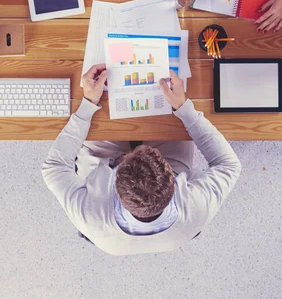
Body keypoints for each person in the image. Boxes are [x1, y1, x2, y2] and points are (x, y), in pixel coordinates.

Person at [42, 65, 241, 256]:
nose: (138, 148)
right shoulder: (197, 206)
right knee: (171, 121)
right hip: (166, 178)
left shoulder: (89, 215)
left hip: (105, 166)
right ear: (173, 186)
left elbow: (54, 167)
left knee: (98, 122)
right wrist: (183, 108)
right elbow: (230, 165)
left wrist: (87, 105)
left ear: (115, 187)